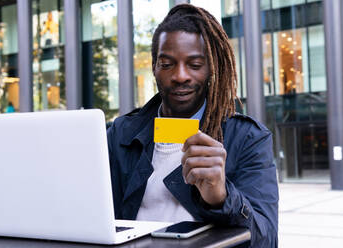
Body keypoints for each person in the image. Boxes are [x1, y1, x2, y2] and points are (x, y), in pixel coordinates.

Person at [107, 4, 278, 247]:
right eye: (167, 64)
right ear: (154, 67)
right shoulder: (120, 134)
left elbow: (267, 239)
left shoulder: (248, 138)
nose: (180, 76)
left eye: (195, 65)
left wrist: (222, 197)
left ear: (211, 69)